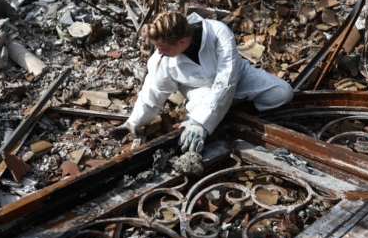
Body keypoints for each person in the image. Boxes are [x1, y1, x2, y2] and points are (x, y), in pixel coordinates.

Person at [115, 11, 293, 153]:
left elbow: (226, 79)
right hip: (199, 90)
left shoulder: (217, 32)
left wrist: (201, 122)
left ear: (181, 41)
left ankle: (224, 110)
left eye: (163, 48)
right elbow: (151, 94)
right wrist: (132, 122)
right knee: (206, 104)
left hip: (239, 76)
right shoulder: (160, 60)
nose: (159, 52)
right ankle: (218, 112)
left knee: (282, 93)